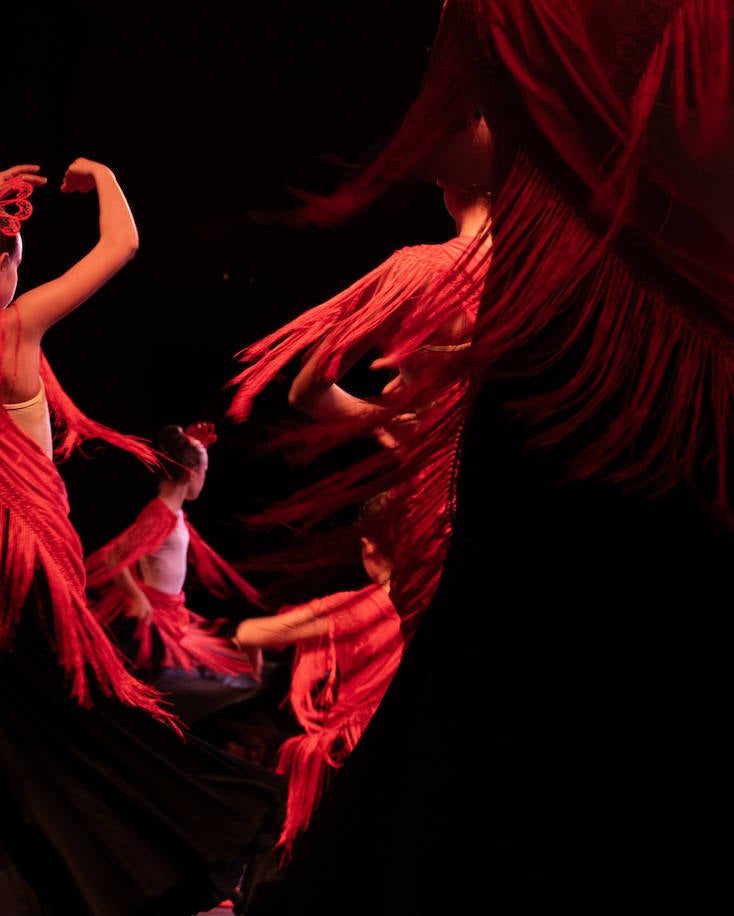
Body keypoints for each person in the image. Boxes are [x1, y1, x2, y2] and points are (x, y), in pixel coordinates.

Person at [244, 2, 734, 912]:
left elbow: (310, 385)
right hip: (616, 393)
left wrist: (395, 429)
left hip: (542, 415)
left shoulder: (438, 265)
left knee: (484, 701)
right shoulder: (506, 249)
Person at [0, 161, 284, 915]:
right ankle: (204, 847)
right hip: (22, 560)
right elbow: (122, 244)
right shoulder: (13, 328)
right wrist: (101, 173)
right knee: (86, 725)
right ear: (5, 263)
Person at [229, 178, 490, 634]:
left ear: (452, 184)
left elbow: (307, 389)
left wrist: (385, 419)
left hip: (438, 494)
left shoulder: (418, 270)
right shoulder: (551, 279)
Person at [230, 491, 403, 892]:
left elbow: (247, 633)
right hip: (393, 756)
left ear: (368, 546)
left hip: (338, 760)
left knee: (288, 867)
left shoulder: (360, 606)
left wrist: (255, 670)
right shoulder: (426, 593)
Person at [85, 421, 264, 726]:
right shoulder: (161, 514)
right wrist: (137, 595)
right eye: (205, 474)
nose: (204, 482)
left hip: (172, 614)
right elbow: (115, 555)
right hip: (156, 620)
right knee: (198, 682)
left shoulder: (175, 514)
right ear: (192, 474)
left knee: (234, 673)